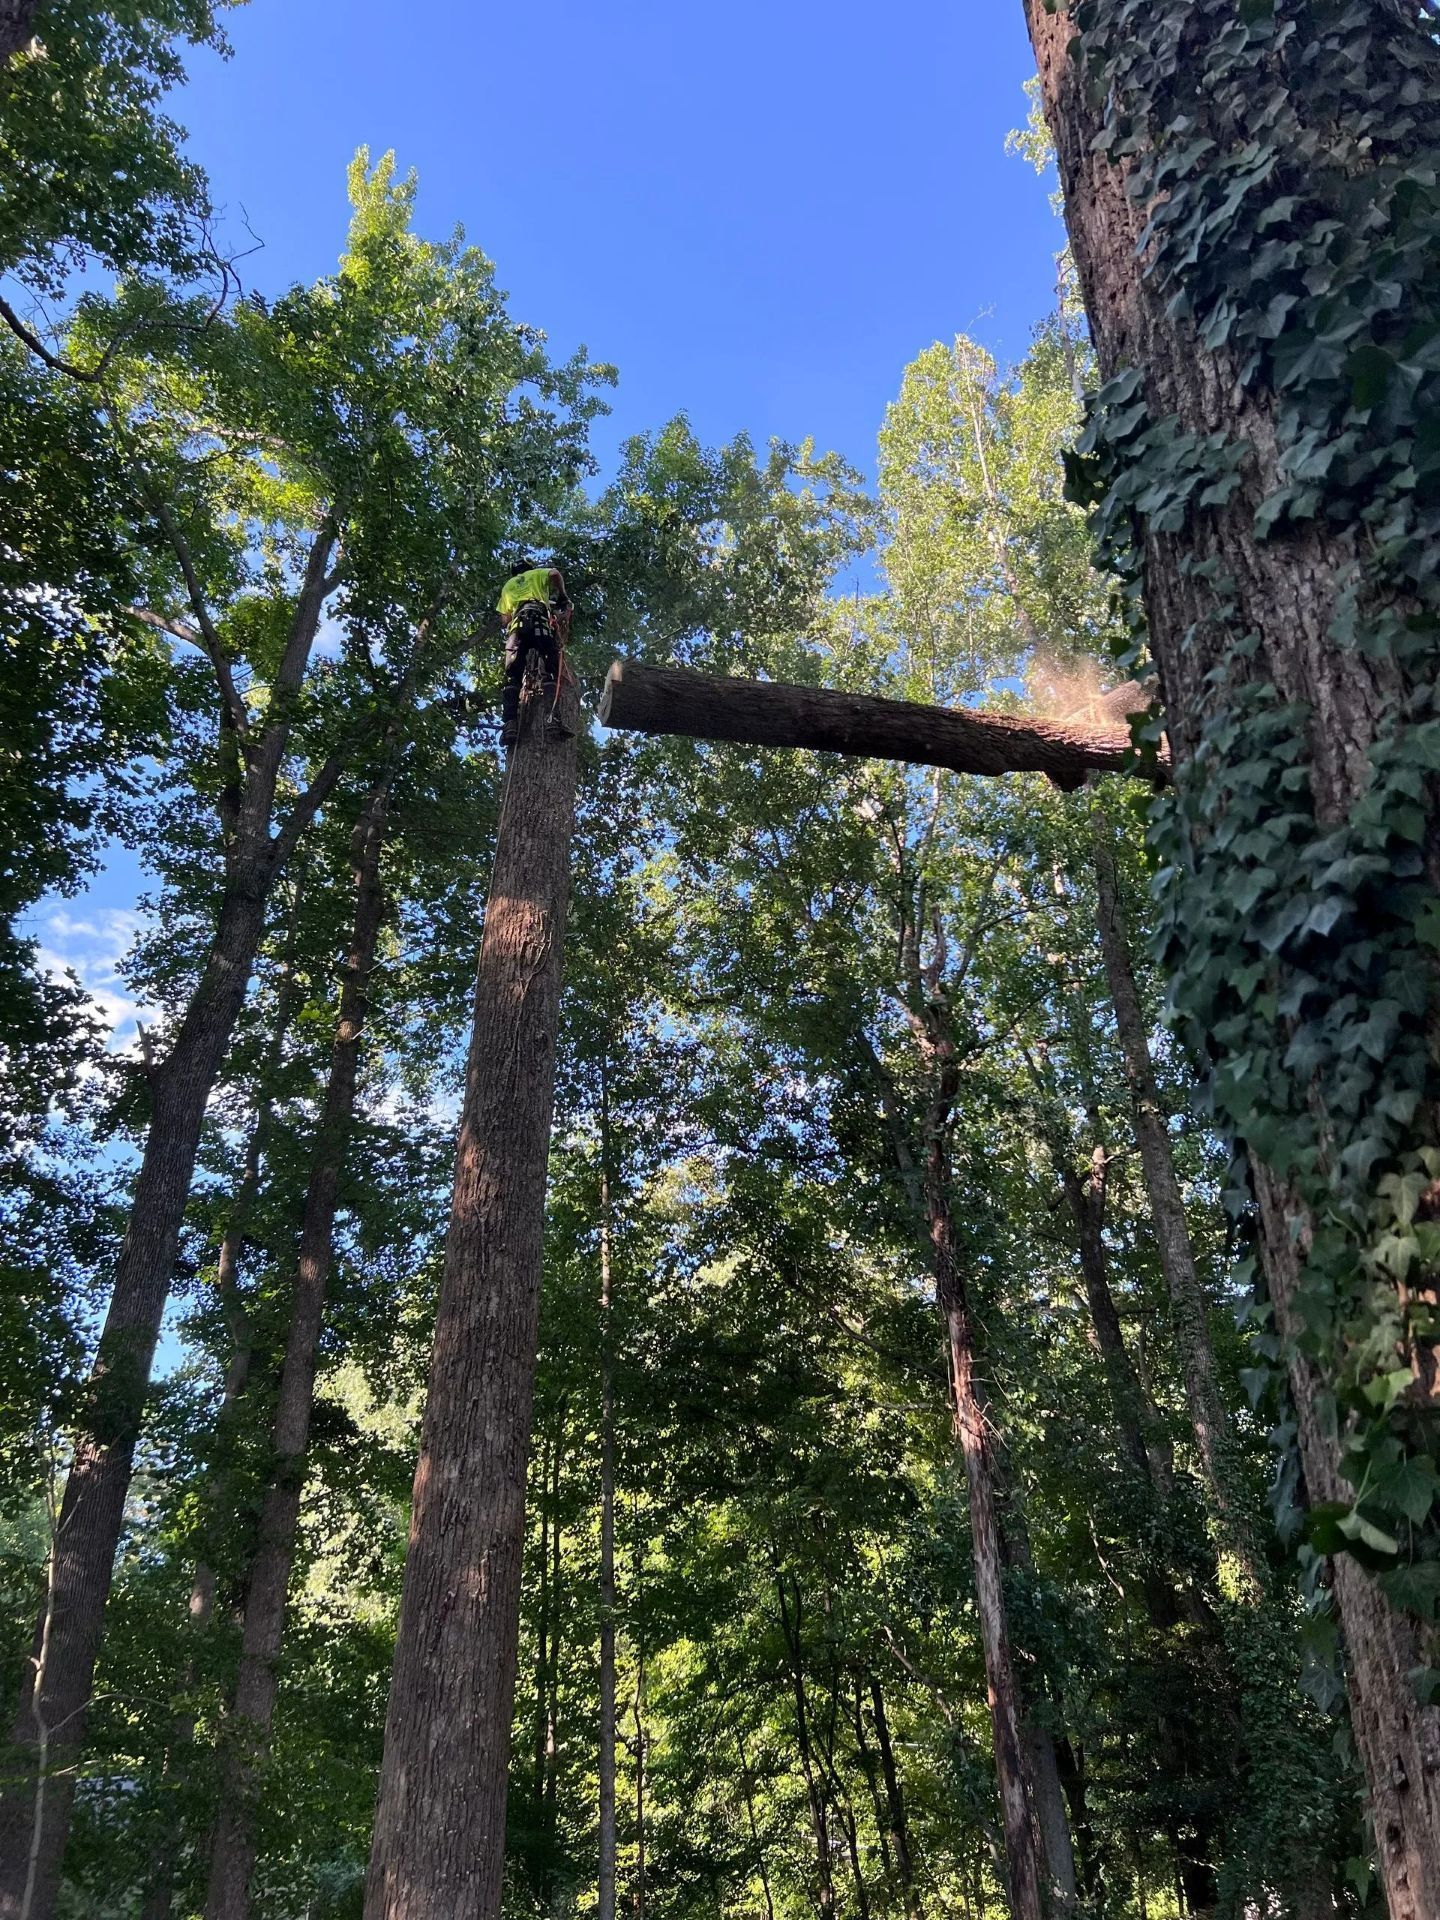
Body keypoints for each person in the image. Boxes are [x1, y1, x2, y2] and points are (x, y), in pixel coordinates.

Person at [496, 558, 574, 747]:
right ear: (529, 568)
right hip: (539, 621)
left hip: (517, 627)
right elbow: (554, 573)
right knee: (551, 670)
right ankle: (552, 721)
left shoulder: (508, 586)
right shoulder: (536, 574)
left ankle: (510, 725)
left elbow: (505, 619)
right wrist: (562, 596)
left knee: (513, 676)